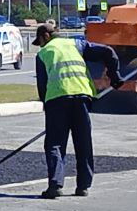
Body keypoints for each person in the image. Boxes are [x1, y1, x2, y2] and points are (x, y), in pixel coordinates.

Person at [32, 19, 123, 198]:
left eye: (39, 41)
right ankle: (83, 186)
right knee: (83, 142)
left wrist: (47, 108)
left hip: (57, 100)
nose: (39, 46)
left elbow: (42, 86)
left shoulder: (43, 54)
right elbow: (108, 51)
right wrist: (115, 76)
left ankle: (55, 185)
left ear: (46, 36)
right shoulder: (77, 44)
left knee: (55, 143)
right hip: (82, 97)